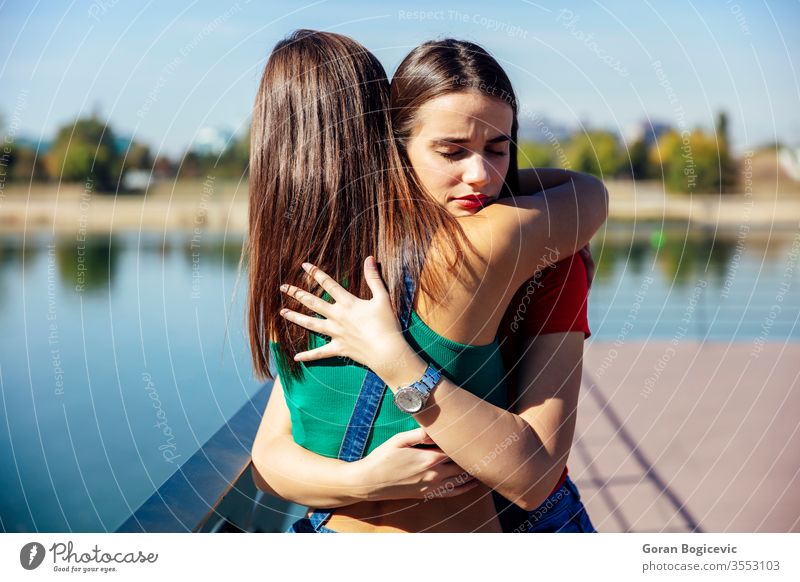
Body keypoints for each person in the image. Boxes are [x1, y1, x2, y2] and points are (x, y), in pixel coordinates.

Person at [248, 31, 607, 532]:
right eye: (451, 150)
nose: (480, 175)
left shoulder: (288, 275)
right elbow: (588, 194)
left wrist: (362, 478)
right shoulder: (491, 244)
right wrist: (371, 477)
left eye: (497, 150)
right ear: (391, 143)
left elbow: (270, 462)